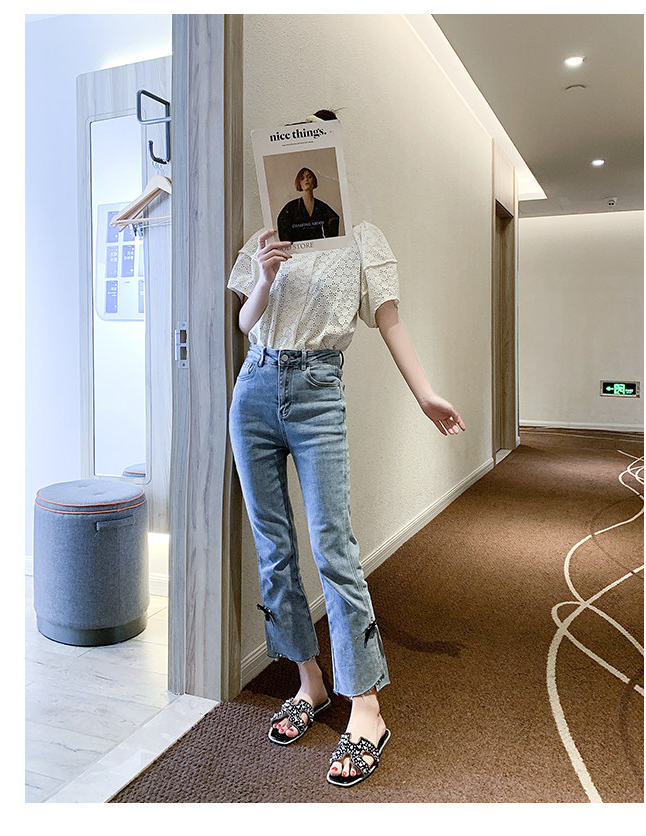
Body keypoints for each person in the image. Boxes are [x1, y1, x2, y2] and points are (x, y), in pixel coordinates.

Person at [227, 110, 464, 788]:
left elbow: (390, 321)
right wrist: (265, 276)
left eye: (316, 164)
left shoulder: (361, 239)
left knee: (333, 545)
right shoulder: (267, 237)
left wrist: (425, 394)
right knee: (273, 546)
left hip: (317, 391)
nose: (305, 176)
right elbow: (245, 321)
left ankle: (366, 707)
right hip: (254, 388)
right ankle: (308, 681)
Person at [276, 166, 340, 241]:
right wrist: (291, 244)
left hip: (318, 244)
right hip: (299, 246)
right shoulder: (291, 207)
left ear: (314, 181)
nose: (306, 179)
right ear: (299, 183)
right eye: (302, 178)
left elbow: (333, 219)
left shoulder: (321, 206)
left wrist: (328, 242)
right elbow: (283, 225)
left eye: (309, 177)